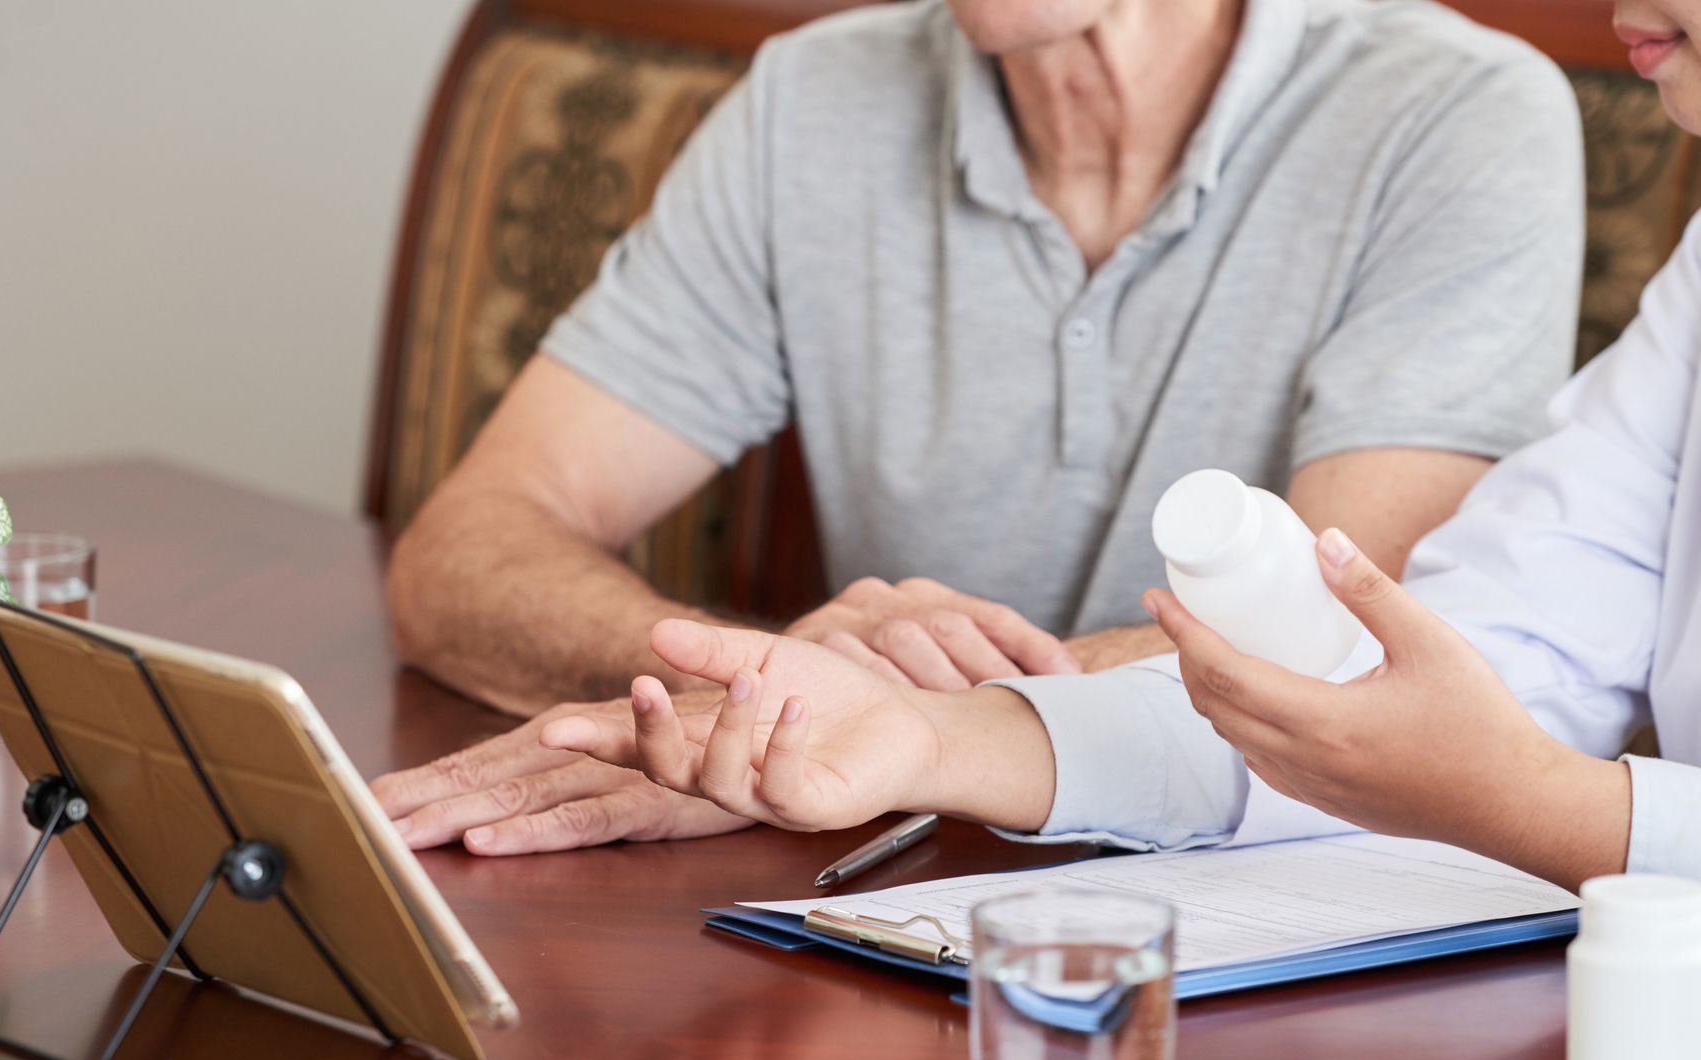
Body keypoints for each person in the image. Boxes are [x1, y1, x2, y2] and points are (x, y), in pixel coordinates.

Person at [535, 0, 1701, 892]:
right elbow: (1450, 681)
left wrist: (1538, 801)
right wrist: (917, 738)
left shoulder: (1451, 106)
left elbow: (1456, 742)